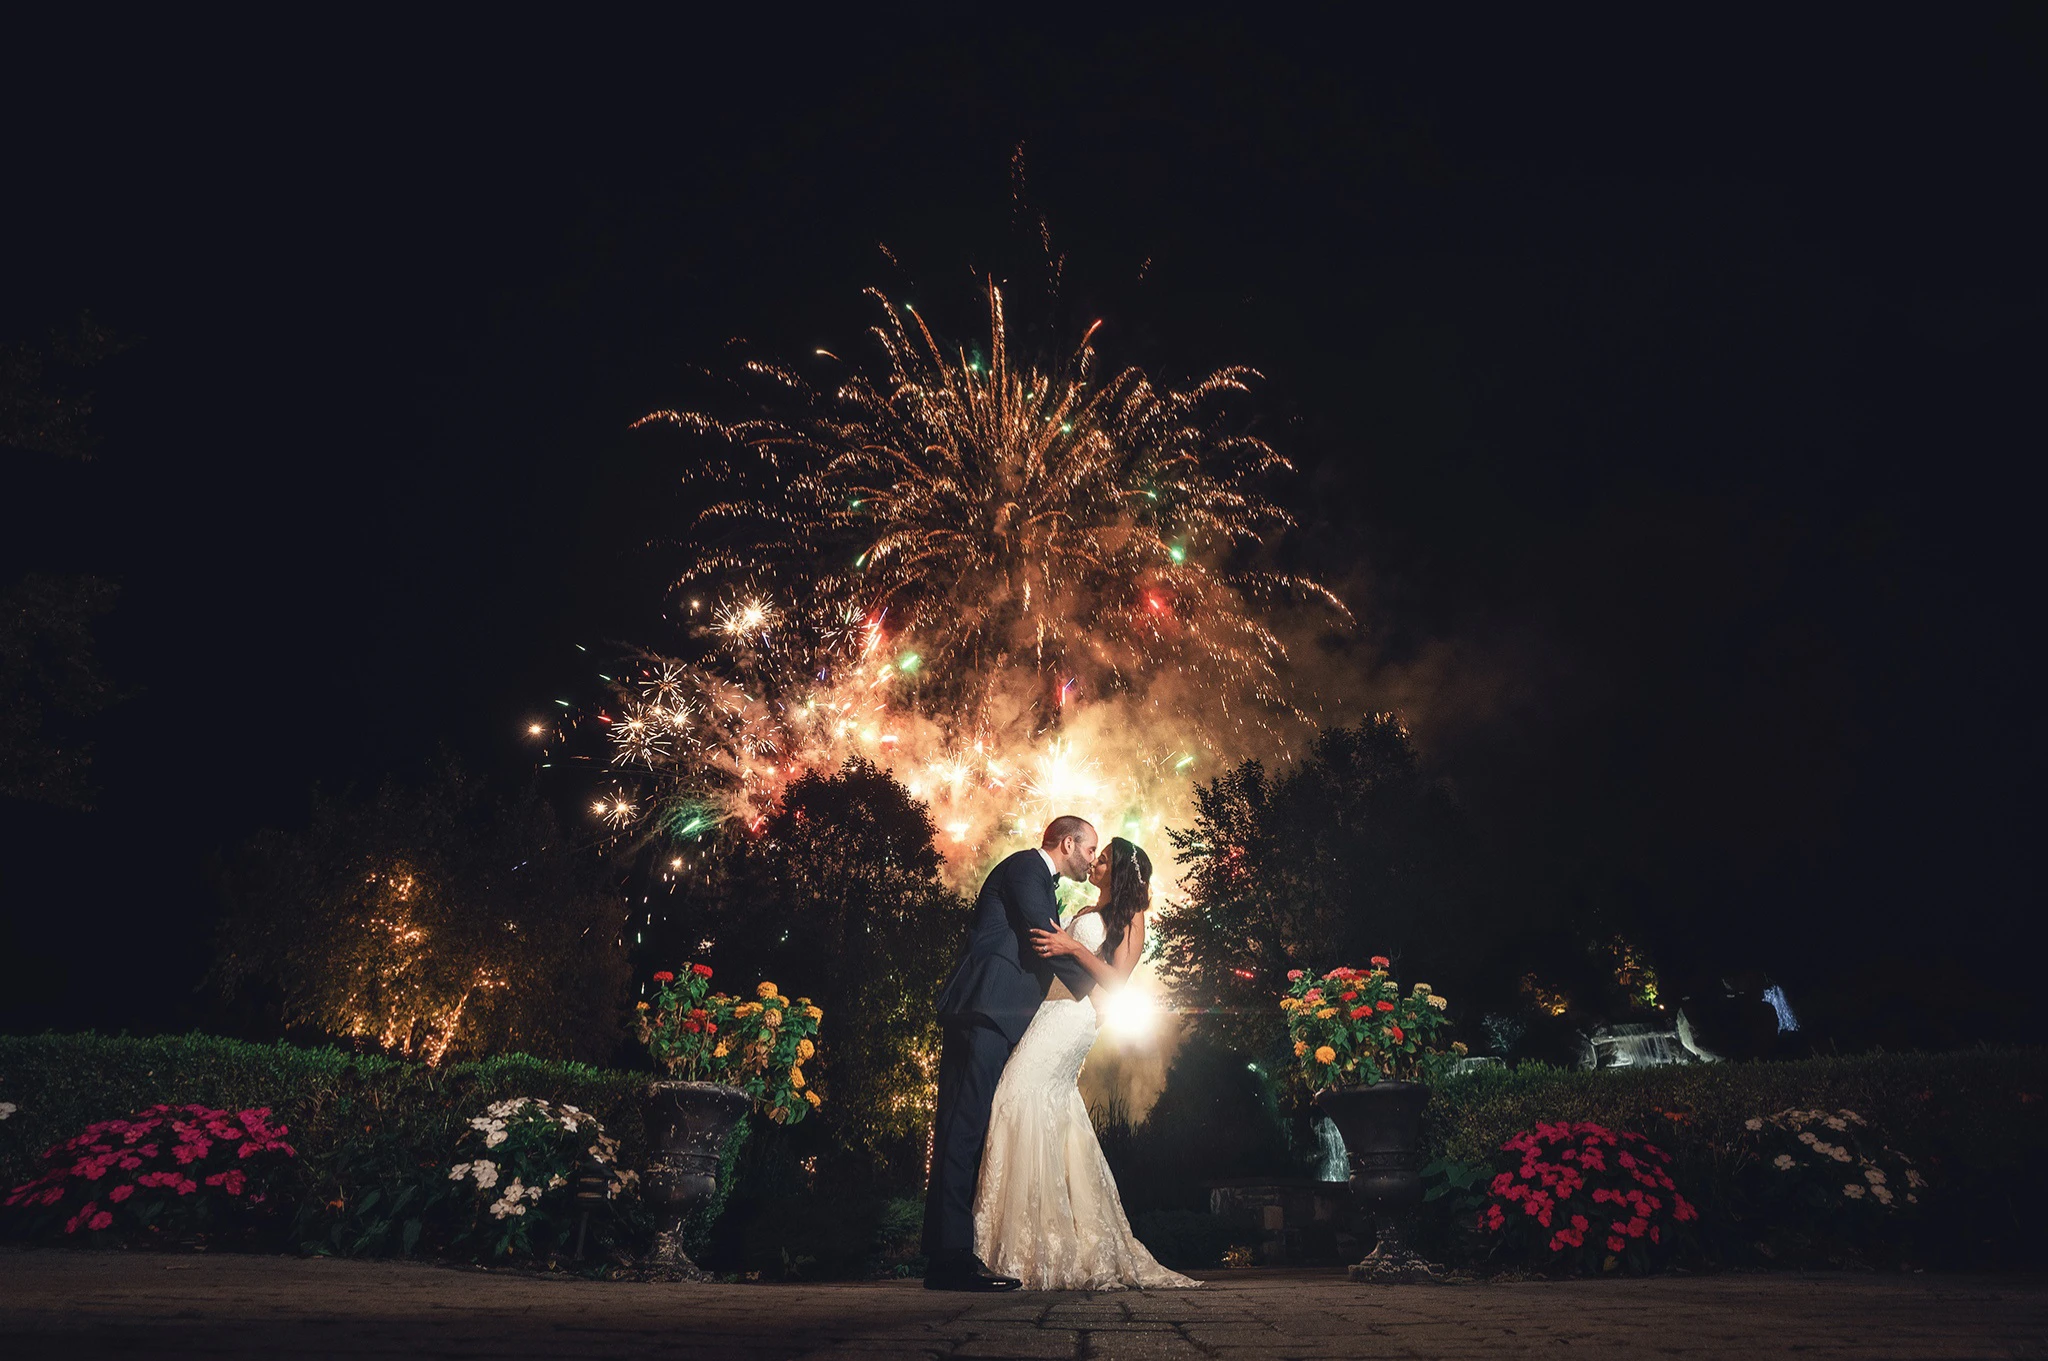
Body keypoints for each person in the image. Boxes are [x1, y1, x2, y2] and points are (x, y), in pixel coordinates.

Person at [973, 835, 1200, 1290]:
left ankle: (1027, 1243)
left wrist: (1074, 949)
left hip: (1073, 1018)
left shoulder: (1133, 917)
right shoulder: (1085, 911)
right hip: (1048, 1012)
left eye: (1105, 859)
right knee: (1041, 1105)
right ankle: (1029, 1238)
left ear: (1121, 872)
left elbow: (1118, 982)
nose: (1095, 862)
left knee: (1017, 1095)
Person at [922, 816, 1103, 1291]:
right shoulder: (1027, 868)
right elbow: (1046, 939)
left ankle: (943, 1257)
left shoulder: (1037, 876)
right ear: (1068, 844)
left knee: (961, 1127)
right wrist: (1100, 981)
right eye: (1089, 850)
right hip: (987, 1008)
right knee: (964, 1129)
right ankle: (954, 1260)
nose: (1092, 860)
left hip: (989, 1010)